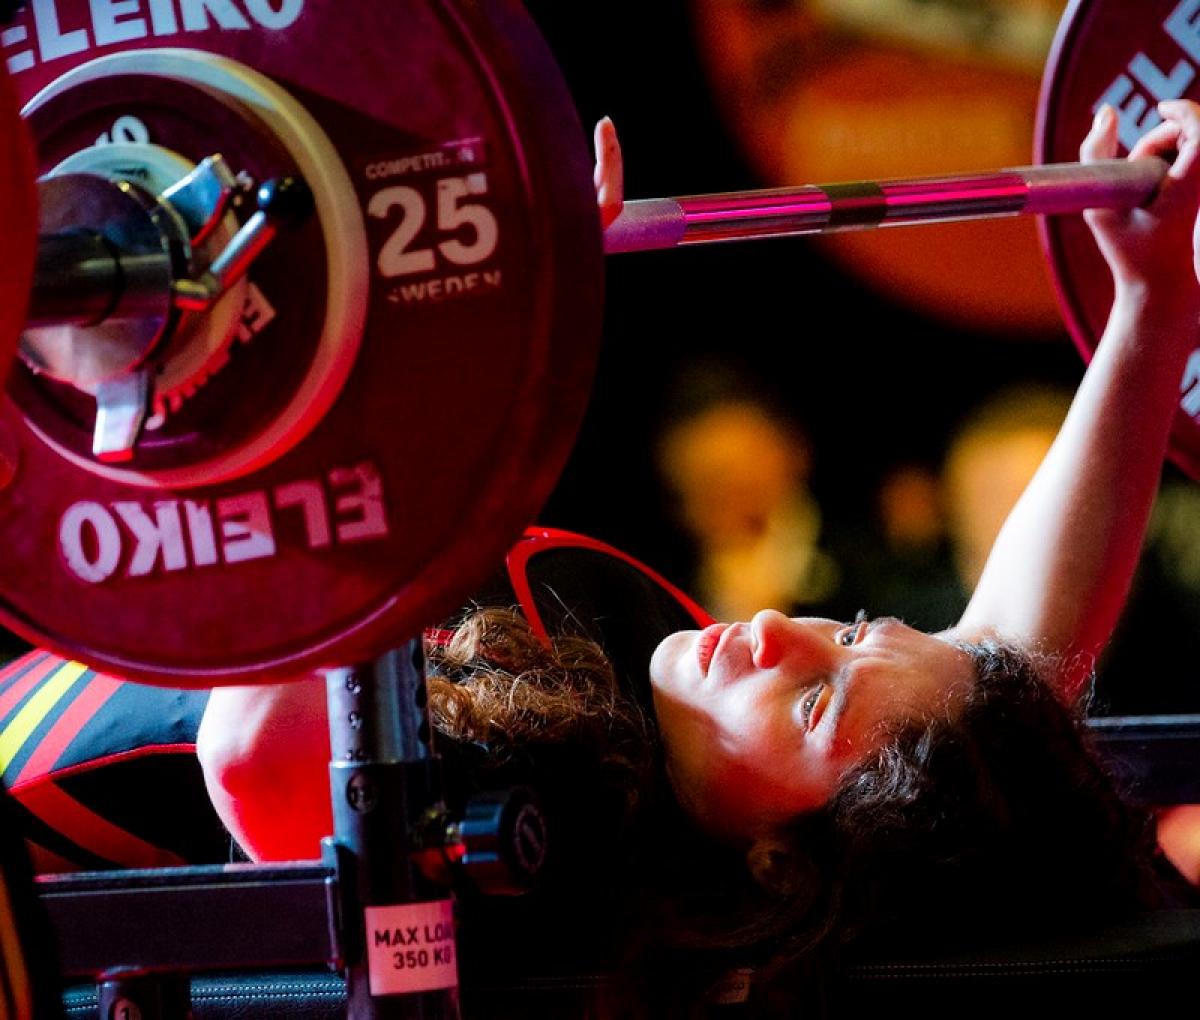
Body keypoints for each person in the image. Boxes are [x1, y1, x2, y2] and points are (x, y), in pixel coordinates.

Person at [8, 101, 1194, 1014]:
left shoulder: (561, 866)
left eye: (819, 696)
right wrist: (1150, 312)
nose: (781, 632)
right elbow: (1007, 654)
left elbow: (257, 757)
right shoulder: (674, 722)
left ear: (785, 871)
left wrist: (446, 343)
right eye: (845, 632)